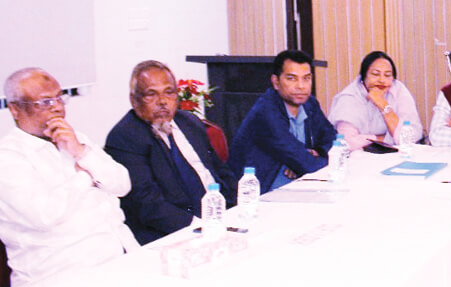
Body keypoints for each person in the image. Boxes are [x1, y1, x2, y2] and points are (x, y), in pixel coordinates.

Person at [0, 68, 138, 287]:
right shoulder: (9, 157)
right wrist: (85, 177)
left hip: (122, 257)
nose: (57, 107)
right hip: (59, 278)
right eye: (45, 101)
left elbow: (122, 184)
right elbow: (45, 215)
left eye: (60, 97)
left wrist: (81, 152)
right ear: (15, 109)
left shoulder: (76, 138)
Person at [105, 61, 236, 245]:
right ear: (134, 100)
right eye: (151, 94)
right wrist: (199, 227)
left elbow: (220, 171)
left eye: (169, 92)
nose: (162, 101)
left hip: (220, 218)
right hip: (174, 233)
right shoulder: (125, 136)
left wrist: (236, 208)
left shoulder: (190, 122)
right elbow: (148, 205)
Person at [228, 50, 337, 193]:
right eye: (292, 78)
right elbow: (307, 164)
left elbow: (335, 140)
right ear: (276, 82)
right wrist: (303, 162)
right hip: (261, 194)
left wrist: (316, 153)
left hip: (299, 185)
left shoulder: (310, 104)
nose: (301, 86)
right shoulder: (265, 112)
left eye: (306, 78)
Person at [328, 51, 423, 150]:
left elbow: (412, 135)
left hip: (396, 153)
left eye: (387, 75)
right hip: (360, 156)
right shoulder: (349, 97)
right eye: (375, 74)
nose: (382, 80)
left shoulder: (398, 90)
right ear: (363, 76)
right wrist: (384, 139)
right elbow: (347, 142)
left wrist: (383, 104)